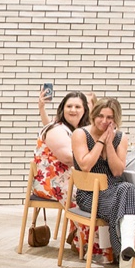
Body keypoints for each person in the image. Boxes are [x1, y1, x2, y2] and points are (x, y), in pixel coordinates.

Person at [72, 96, 135, 268]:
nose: (104, 122)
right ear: (94, 115)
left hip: (114, 189)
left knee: (128, 189)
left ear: (116, 119)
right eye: (100, 116)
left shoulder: (120, 138)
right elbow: (85, 165)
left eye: (109, 118)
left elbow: (117, 171)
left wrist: (110, 144)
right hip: (90, 193)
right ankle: (127, 262)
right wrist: (101, 142)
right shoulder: (80, 134)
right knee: (127, 199)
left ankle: (126, 255)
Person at [33, 91, 102, 256]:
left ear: (85, 109)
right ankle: (90, 244)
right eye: (69, 106)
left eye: (78, 106)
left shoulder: (77, 130)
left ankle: (81, 238)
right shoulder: (57, 129)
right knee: (88, 198)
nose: (73, 110)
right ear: (62, 109)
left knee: (99, 193)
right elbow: (67, 157)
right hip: (51, 182)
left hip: (67, 179)